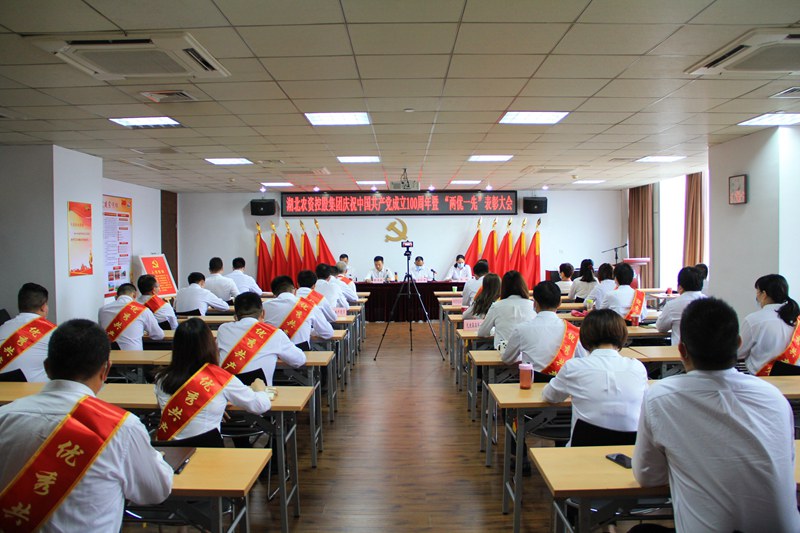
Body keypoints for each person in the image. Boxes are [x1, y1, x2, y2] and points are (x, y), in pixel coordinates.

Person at [633, 298, 800, 532]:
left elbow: (648, 476)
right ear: (738, 343)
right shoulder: (774, 397)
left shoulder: (661, 397)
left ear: (682, 350)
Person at [0, 319, 172, 531]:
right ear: (105, 370)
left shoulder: (4, 417)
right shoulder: (122, 428)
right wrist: (156, 457)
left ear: (47, 368)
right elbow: (156, 491)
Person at [154, 318, 271, 445]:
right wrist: (261, 390)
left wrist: (213, 406)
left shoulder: (161, 378)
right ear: (210, 345)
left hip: (171, 453)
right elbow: (260, 406)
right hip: (209, 451)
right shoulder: (220, 378)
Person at [542, 309, 647, 441]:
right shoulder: (637, 367)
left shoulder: (574, 367)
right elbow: (645, 401)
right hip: (629, 450)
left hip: (583, 447)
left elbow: (550, 396)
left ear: (585, 336)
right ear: (622, 334)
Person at [217, 292, 306, 384]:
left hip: (229, 390)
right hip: (261, 391)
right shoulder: (274, 334)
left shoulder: (223, 329)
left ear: (235, 316)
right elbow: (299, 360)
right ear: (263, 313)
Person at [503, 281, 588, 370]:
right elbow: (583, 359)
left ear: (535, 303)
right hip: (564, 378)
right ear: (560, 302)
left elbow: (507, 359)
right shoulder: (573, 331)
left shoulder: (521, 329)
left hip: (532, 378)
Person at [738, 274, 800, 375]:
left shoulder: (753, 320)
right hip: (795, 380)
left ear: (764, 294)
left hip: (762, 380)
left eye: (757, 292)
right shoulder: (796, 319)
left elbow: (739, 353)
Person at [0, 282, 56, 382]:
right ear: (43, 307)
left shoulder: (2, 328)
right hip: (37, 391)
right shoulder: (53, 332)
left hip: (4, 390)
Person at [263, 275, 334, 350]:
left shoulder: (264, 306)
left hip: (272, 352)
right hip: (301, 352)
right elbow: (328, 333)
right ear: (295, 291)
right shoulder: (308, 305)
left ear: (274, 294)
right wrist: (309, 331)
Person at [477, 271, 535, 349]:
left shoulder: (497, 306)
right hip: (528, 350)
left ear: (503, 287)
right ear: (523, 286)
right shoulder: (532, 305)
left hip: (503, 351)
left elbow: (482, 332)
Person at [98, 283, 164, 350]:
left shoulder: (102, 310)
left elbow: (102, 333)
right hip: (134, 355)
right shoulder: (142, 310)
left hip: (109, 354)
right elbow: (159, 335)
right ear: (134, 295)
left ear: (116, 296)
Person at [655, 266, 706, 345]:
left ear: (680, 287)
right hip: (706, 351)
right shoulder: (710, 304)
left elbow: (661, 327)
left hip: (679, 351)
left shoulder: (672, 305)